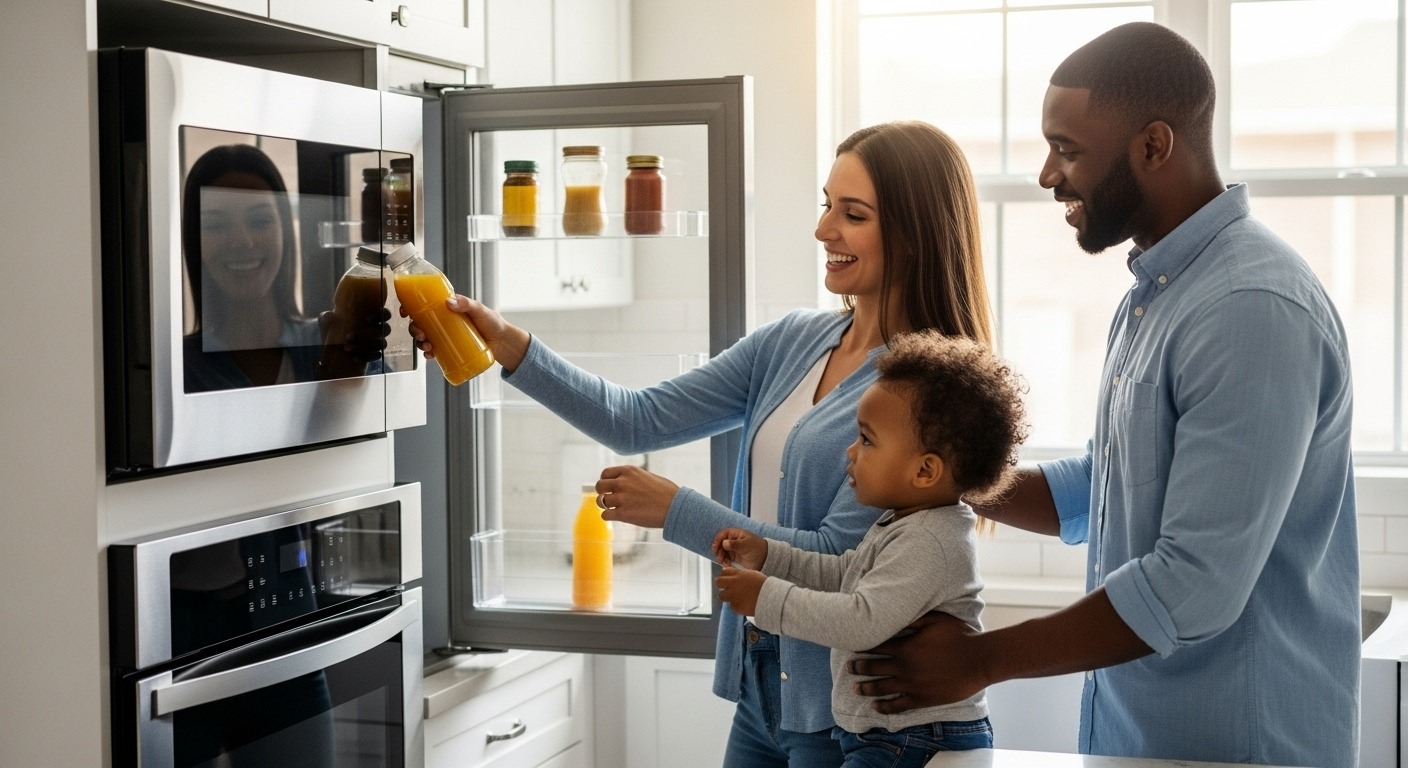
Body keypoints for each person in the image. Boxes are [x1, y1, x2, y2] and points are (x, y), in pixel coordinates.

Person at [849, 21, 1360, 767]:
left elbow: (1193, 586)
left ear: (1154, 146)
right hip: (1141, 737)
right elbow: (1105, 487)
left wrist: (980, 660)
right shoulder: (1158, 292)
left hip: (1242, 745)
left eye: (1069, 148)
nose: (1049, 174)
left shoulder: (1249, 307)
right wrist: (938, 474)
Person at [413, 120, 995, 767]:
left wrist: (677, 512)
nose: (824, 229)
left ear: (914, 235)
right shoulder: (792, 341)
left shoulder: (922, 389)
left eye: (852, 214)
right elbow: (637, 418)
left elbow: (844, 556)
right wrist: (509, 345)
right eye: (826, 204)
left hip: (844, 708)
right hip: (758, 679)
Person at [711, 331, 1029, 767]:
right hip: (888, 735)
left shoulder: (930, 540)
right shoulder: (903, 523)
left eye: (866, 440)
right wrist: (769, 555)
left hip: (915, 738)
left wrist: (766, 599)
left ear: (924, 470)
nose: (851, 450)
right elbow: (845, 575)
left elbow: (861, 620)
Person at [181, 143, 386, 391]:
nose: (243, 241)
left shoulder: (326, 341)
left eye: (260, 220)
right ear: (195, 240)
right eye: (216, 225)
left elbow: (395, 411)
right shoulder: (179, 366)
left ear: (285, 231)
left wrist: (358, 366)